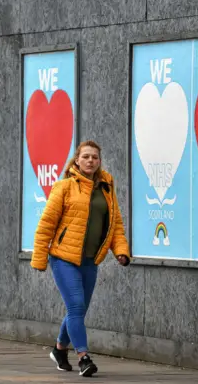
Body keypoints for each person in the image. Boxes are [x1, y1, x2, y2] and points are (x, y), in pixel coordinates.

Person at [30, 140, 131, 377]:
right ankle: (83, 357)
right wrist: (39, 258)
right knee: (75, 306)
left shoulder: (106, 186)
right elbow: (46, 225)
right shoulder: (64, 187)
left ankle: (59, 349)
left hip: (90, 260)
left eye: (94, 157)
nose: (90, 161)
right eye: (85, 156)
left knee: (79, 310)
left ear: (99, 161)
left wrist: (121, 251)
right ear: (77, 160)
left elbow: (114, 224)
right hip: (64, 258)